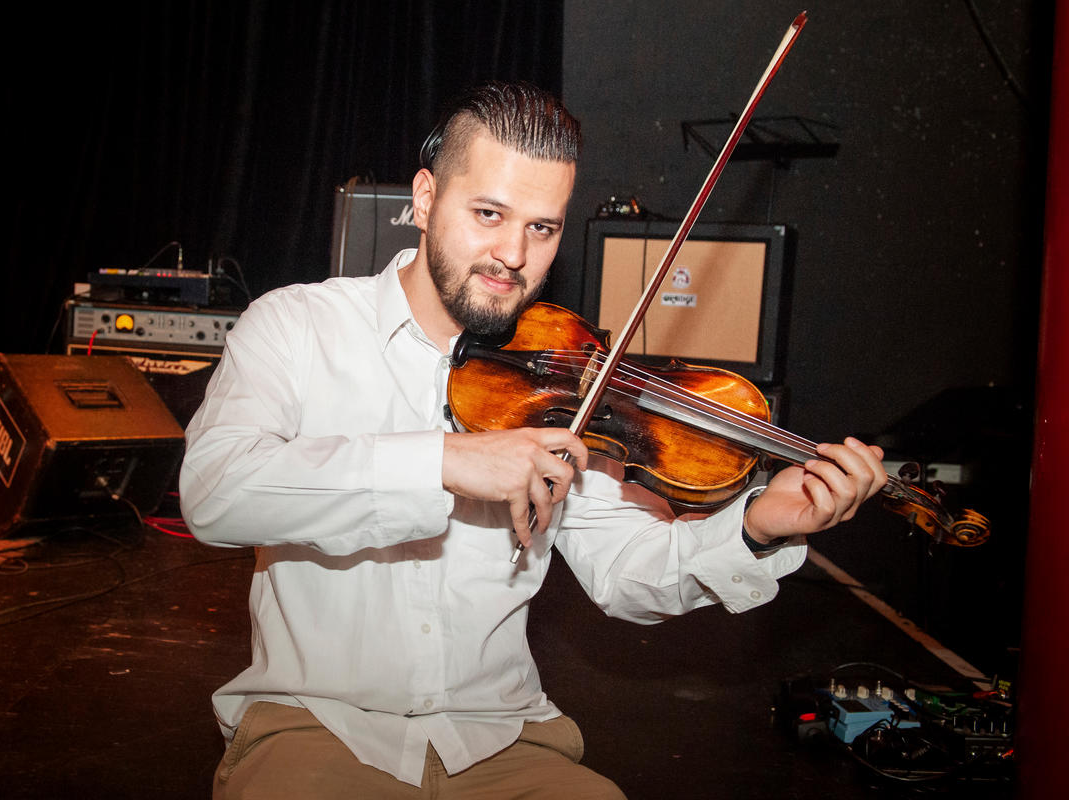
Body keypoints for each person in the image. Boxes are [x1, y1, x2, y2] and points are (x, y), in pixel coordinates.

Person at [179, 81, 887, 799]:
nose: (512, 255)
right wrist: (446, 462)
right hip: (317, 730)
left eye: (542, 228)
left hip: (500, 738)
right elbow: (215, 492)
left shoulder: (570, 380)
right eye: (489, 214)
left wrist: (758, 528)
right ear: (424, 200)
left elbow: (629, 572)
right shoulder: (296, 328)